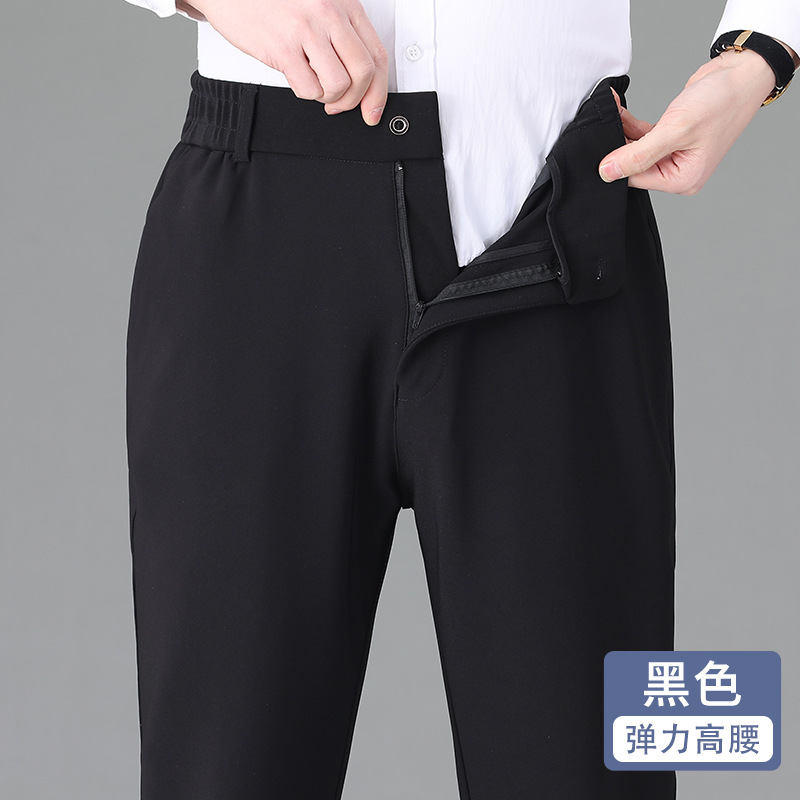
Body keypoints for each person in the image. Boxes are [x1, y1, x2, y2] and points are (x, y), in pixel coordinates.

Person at [122, 2, 799, 799]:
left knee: (584, 771)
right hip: (264, 236)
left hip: (552, 227)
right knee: (222, 768)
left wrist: (756, 55)